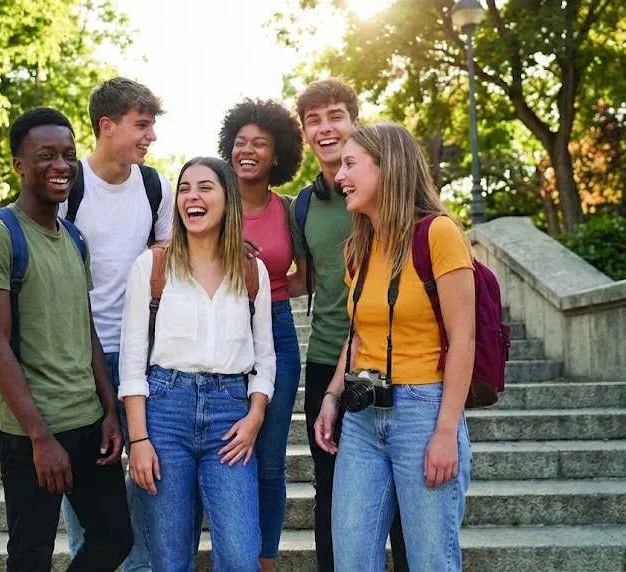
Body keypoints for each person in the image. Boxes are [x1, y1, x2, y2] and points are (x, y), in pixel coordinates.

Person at [0, 107, 132, 572]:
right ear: (19, 164)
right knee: (30, 554)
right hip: (29, 431)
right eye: (46, 156)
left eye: (68, 155)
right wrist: (41, 438)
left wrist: (109, 408)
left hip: (85, 421)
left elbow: (86, 330)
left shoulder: (75, 238)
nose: (61, 165)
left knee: (114, 538)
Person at [314, 122, 475, 572]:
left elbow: (464, 340)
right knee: (352, 561)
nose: (339, 175)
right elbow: (359, 333)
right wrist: (331, 396)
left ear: (388, 168)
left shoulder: (439, 234)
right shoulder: (357, 247)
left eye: (350, 164)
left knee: (430, 562)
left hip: (423, 411)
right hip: (363, 416)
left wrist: (446, 433)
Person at [119, 157, 276, 572]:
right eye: (185, 188)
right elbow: (132, 361)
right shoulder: (151, 267)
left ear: (227, 199)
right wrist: (138, 440)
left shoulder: (251, 271)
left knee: (242, 557)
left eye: (206, 187)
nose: (192, 196)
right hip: (165, 413)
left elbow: (265, 357)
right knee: (170, 561)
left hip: (230, 414)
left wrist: (255, 415)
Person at [288, 78, 410, 571]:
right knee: (332, 492)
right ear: (304, 134)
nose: (325, 128)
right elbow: (304, 279)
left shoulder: (391, 188)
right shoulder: (303, 205)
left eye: (335, 115)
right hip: (326, 362)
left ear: (354, 122)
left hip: (394, 359)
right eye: (313, 120)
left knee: (405, 496)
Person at [56, 76, 172, 572]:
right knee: (89, 484)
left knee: (148, 474)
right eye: (141, 126)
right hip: (80, 359)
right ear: (108, 126)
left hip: (142, 357)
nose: (150, 137)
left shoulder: (155, 186)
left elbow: (167, 254)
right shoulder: (69, 186)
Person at [217, 98, 303, 572]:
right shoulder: (208, 199)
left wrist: (266, 284)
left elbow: (308, 276)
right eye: (240, 141)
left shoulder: (289, 210)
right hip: (220, 334)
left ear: (277, 156)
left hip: (278, 328)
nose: (247, 150)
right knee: (223, 451)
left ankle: (264, 561)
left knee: (268, 458)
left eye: (260, 144)